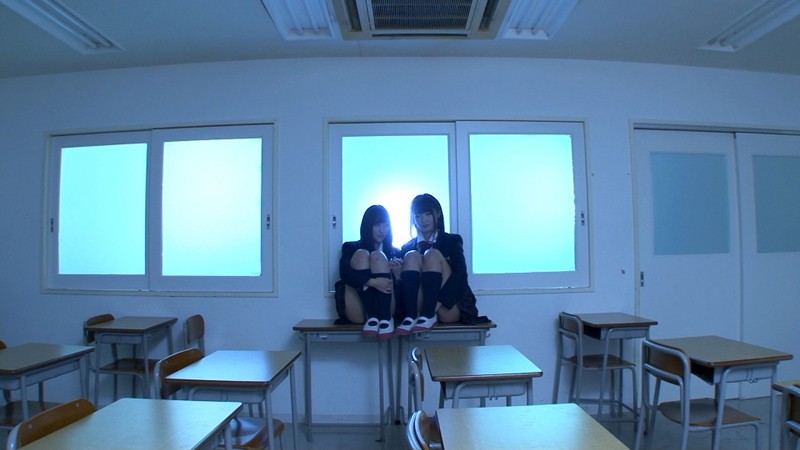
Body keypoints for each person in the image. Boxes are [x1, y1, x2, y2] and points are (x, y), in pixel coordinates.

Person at [396, 193, 487, 334]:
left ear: (437, 214)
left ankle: (429, 314)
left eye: (427, 214)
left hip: (446, 307)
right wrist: (398, 276)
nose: (423, 220)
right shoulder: (407, 248)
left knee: (432, 254)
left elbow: (461, 276)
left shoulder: (451, 241)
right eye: (418, 216)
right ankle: (414, 315)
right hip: (418, 310)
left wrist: (434, 305)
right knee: (412, 255)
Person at [338, 205, 403, 339]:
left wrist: (397, 277)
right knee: (362, 254)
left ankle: (384, 318)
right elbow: (344, 273)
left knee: (378, 256)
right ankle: (372, 316)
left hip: (387, 308)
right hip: (359, 306)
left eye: (386, 225)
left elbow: (405, 291)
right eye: (377, 225)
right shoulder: (350, 247)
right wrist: (373, 282)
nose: (382, 230)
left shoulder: (396, 252)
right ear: (368, 226)